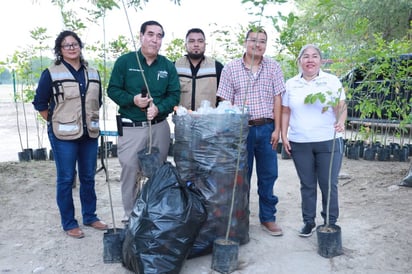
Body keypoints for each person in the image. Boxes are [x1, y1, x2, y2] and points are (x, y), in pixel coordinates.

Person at [32, 30, 107, 239]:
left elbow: (97, 101)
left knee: (88, 177)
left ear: (80, 46)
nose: (72, 48)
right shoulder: (51, 73)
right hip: (62, 136)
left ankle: (90, 216)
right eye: (66, 45)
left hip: (89, 134)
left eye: (75, 44)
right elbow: (40, 104)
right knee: (66, 178)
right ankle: (69, 223)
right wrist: (57, 121)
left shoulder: (93, 72)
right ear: (60, 50)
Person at [107, 20, 180, 222]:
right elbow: (112, 89)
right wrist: (133, 100)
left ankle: (154, 211)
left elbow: (174, 95)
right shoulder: (125, 62)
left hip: (159, 127)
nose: (154, 40)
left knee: (158, 170)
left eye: (159, 36)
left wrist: (159, 108)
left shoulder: (167, 65)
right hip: (132, 127)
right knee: (130, 168)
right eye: (150, 34)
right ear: (141, 36)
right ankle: (131, 215)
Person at [217, 27, 285, 236]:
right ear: (245, 42)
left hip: (266, 129)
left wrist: (277, 130)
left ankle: (267, 218)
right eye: (254, 40)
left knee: (268, 175)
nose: (258, 44)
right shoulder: (231, 68)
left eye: (262, 41)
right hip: (241, 130)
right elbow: (225, 100)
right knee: (240, 176)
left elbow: (278, 99)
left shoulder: (273, 67)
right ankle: (240, 217)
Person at [281, 44, 347, 237]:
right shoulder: (291, 84)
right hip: (300, 141)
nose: (310, 60)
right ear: (300, 61)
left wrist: (341, 122)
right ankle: (308, 222)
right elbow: (286, 111)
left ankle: (329, 221)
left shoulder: (331, 81)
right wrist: (284, 136)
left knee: (328, 183)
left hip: (328, 140)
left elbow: (341, 105)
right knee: (307, 184)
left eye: (315, 56)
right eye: (306, 56)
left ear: (321, 60)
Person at [175, 28, 223, 110]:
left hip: (209, 120)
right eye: (191, 41)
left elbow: (222, 98)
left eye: (200, 41)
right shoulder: (175, 66)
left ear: (205, 45)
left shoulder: (217, 67)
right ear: (185, 45)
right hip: (183, 120)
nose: (196, 44)